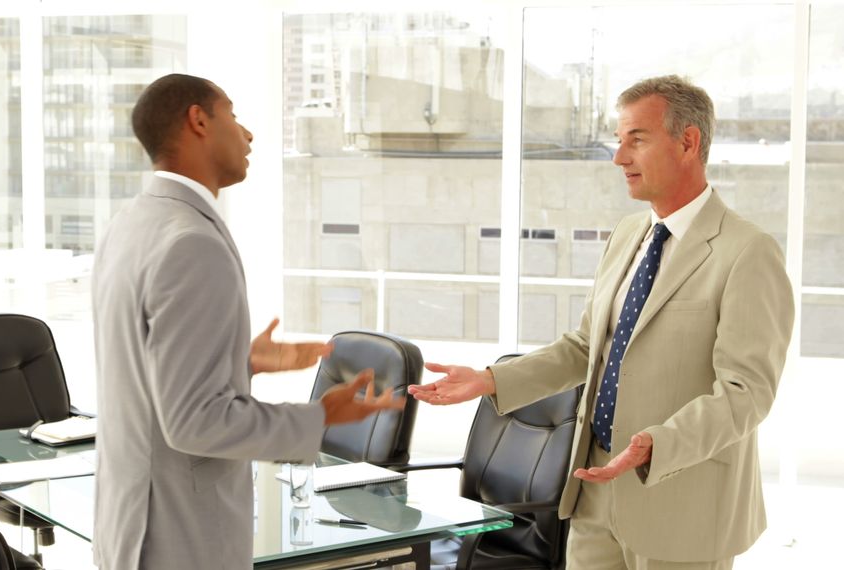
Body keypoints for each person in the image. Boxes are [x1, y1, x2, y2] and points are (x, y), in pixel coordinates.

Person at [409, 75, 793, 570]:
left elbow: (746, 391)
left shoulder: (747, 252)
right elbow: (585, 346)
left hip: (682, 501)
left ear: (688, 142)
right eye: (619, 141)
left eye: (637, 139)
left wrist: (657, 445)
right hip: (593, 492)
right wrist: (489, 380)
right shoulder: (628, 234)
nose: (619, 158)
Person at [91, 73, 405, 569]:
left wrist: (237, 360)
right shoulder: (191, 243)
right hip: (179, 538)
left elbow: (145, 369)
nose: (248, 134)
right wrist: (320, 418)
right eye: (233, 116)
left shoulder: (130, 224)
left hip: (128, 526)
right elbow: (195, 423)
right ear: (199, 120)